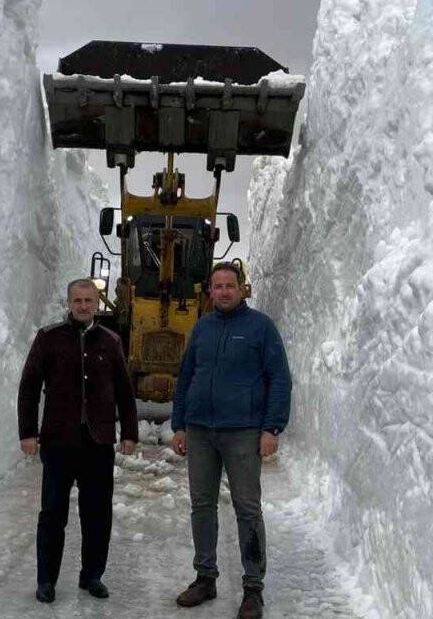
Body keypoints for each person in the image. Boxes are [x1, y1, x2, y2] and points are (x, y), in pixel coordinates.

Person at [170, 262, 291, 619]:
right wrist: (179, 424)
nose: (224, 291)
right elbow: (187, 375)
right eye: (217, 286)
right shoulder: (203, 328)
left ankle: (253, 587)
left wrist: (272, 428)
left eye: (230, 285)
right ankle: (205, 577)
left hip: (242, 431)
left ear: (242, 289)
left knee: (247, 508)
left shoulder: (261, 328)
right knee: (201, 505)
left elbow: (280, 379)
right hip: (201, 431)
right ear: (209, 291)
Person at [18, 279, 139, 604]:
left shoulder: (111, 341)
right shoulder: (49, 338)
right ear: (69, 302)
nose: (83, 305)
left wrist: (128, 432)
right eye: (78, 300)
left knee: (97, 513)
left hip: (97, 443)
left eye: (89, 300)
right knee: (53, 514)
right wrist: (28, 432)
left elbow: (125, 392)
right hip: (58, 441)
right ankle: (46, 580)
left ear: (97, 303)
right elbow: (29, 386)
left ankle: (92, 576)